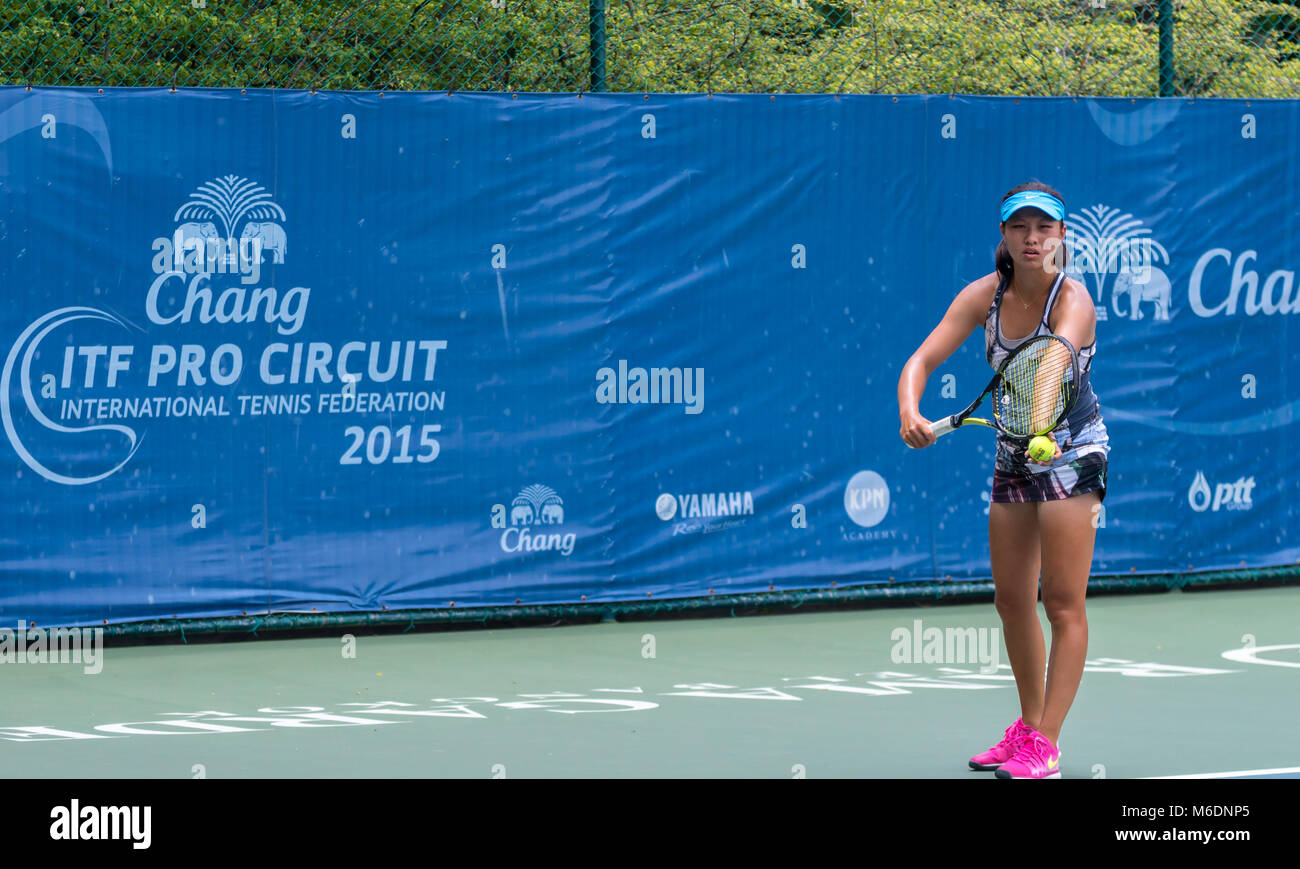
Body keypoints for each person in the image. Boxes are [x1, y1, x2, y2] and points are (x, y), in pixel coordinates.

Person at [896, 181, 1109, 779]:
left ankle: (1047, 744)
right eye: (1021, 228)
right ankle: (1027, 729)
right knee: (1013, 601)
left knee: (1062, 602)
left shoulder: (1075, 301)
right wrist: (911, 411)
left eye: (1045, 229)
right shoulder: (983, 297)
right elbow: (919, 362)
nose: (1033, 238)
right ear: (1005, 237)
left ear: (1062, 236)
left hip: (1072, 455)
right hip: (1015, 459)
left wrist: (1040, 418)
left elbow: (1051, 364)